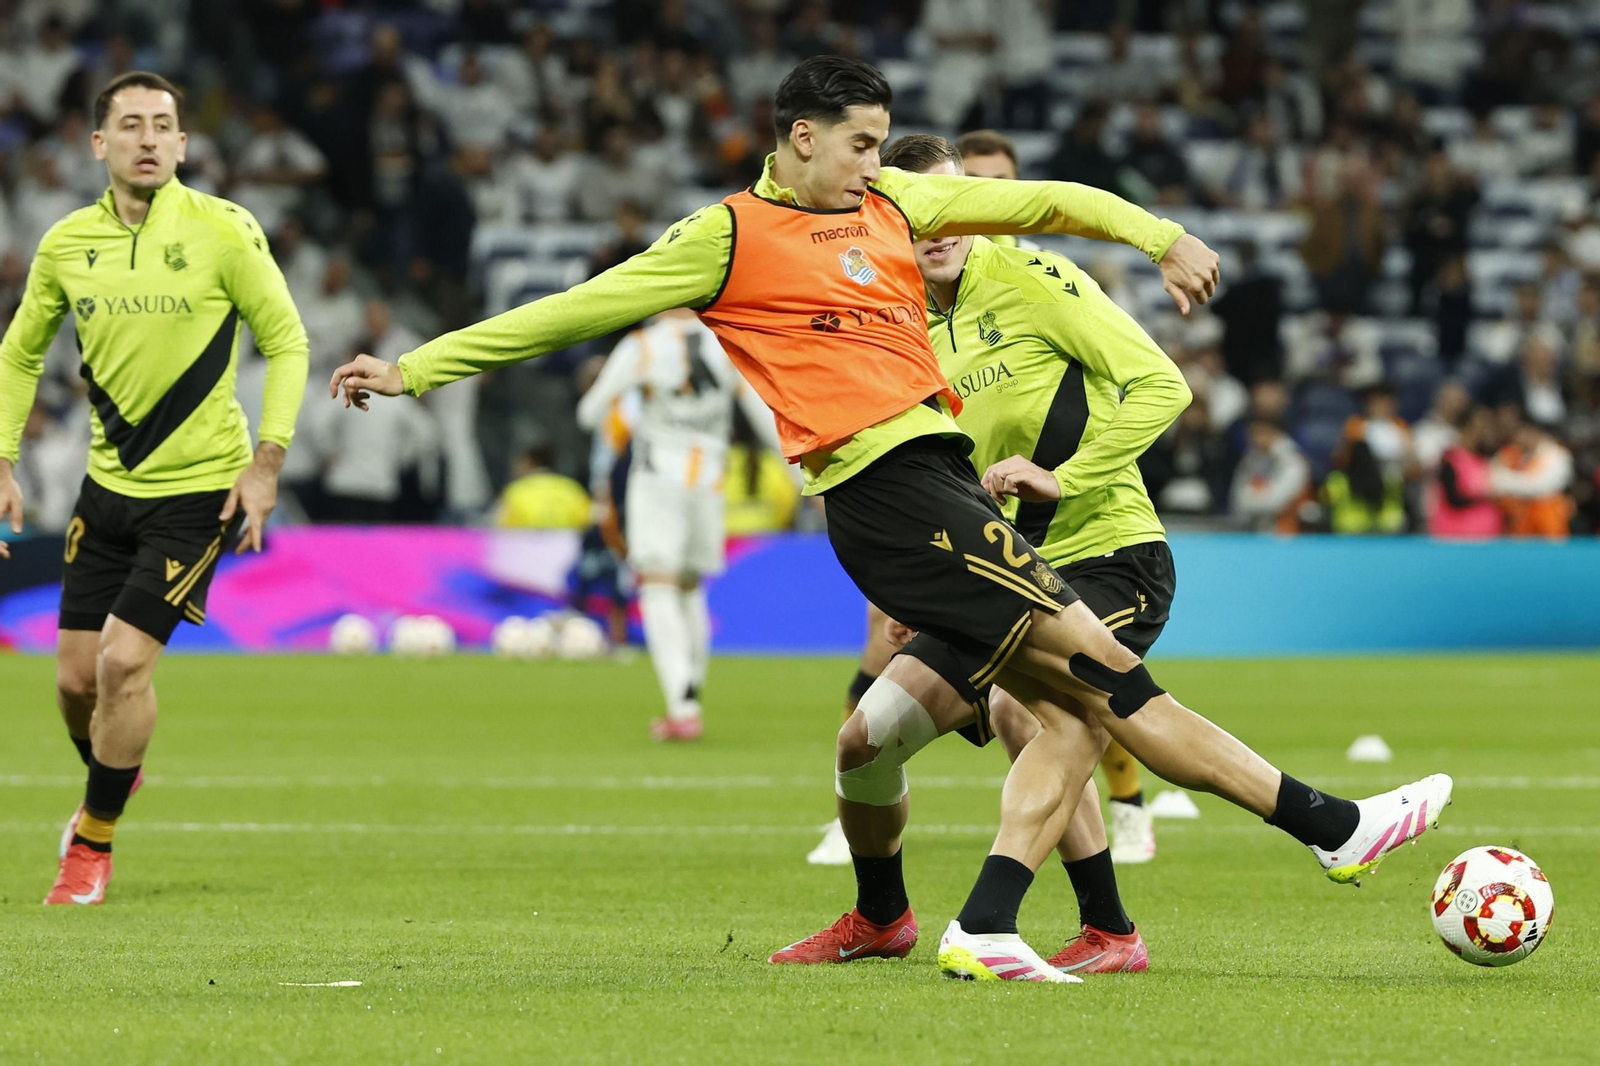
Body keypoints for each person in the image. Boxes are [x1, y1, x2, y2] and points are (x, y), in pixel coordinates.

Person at [328, 56, 1451, 982]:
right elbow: (567, 313)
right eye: (861, 142)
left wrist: (1159, 237)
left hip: (935, 495)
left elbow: (1048, 202)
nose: (880, 164)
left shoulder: (895, 204)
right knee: (1102, 679)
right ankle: (1329, 830)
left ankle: (884, 916)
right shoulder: (723, 237)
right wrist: (417, 370)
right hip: (892, 497)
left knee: (874, 738)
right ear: (799, 136)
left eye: (884, 144)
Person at [777, 132, 1193, 975]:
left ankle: (1096, 926)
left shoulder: (1037, 282)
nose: (943, 224)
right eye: (923, 209)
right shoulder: (892, 320)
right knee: (863, 740)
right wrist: (914, 585)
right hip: (991, 574)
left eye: (959, 202)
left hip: (1105, 550)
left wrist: (1065, 477)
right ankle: (881, 918)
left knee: (1021, 707)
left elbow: (1163, 386)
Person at [0, 72, 309, 905]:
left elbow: (287, 342)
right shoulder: (67, 243)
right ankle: (113, 776)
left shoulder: (224, 231)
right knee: (72, 684)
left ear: (182, 142)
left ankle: (90, 847)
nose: (147, 138)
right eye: (129, 125)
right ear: (98, 144)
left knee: (123, 663)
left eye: (162, 125)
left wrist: (266, 464)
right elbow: (22, 351)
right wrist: (1, 459)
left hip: (199, 494)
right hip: (105, 493)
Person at [575, 308, 781, 741]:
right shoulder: (727, 340)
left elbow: (589, 413)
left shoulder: (643, 345)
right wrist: (803, 477)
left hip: (657, 479)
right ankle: (690, 700)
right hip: (709, 480)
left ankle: (681, 707)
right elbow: (765, 415)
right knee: (689, 587)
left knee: (656, 584)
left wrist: (631, 408)